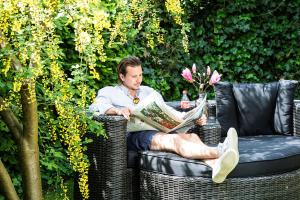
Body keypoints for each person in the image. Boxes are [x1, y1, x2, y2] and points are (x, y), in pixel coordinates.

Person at [89, 56, 239, 183]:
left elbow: (167, 111)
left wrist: (192, 119)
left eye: (140, 75)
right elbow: (95, 108)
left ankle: (215, 166)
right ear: (122, 77)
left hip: (156, 130)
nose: (139, 80)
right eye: (134, 76)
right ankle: (221, 151)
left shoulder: (149, 92)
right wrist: (117, 110)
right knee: (174, 141)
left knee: (192, 136)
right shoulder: (110, 92)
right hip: (133, 136)